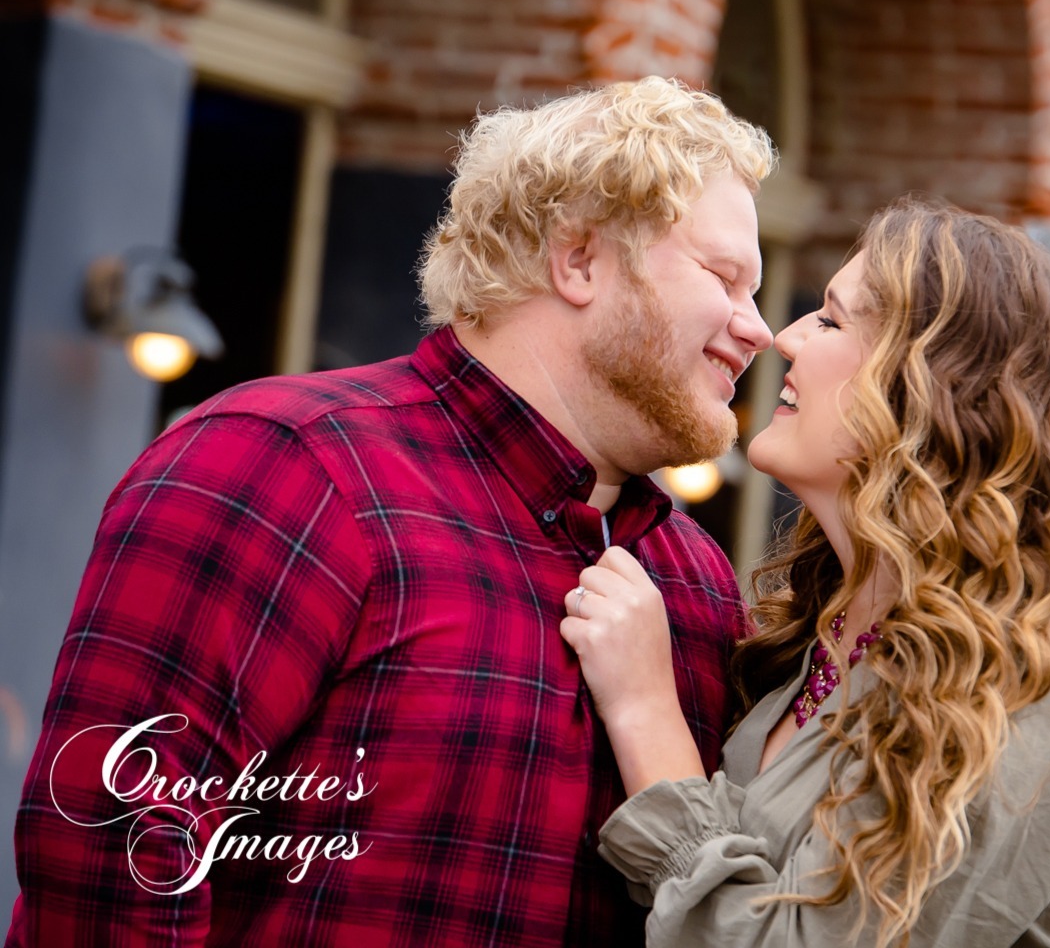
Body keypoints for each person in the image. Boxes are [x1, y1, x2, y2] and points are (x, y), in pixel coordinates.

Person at [6, 77, 775, 946]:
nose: (759, 329)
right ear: (580, 260)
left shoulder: (698, 584)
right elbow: (110, 852)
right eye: (724, 277)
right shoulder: (287, 464)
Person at [560, 198, 1050, 947]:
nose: (783, 336)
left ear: (928, 393)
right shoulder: (826, 635)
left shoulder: (1022, 673)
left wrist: (646, 715)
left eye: (831, 321)